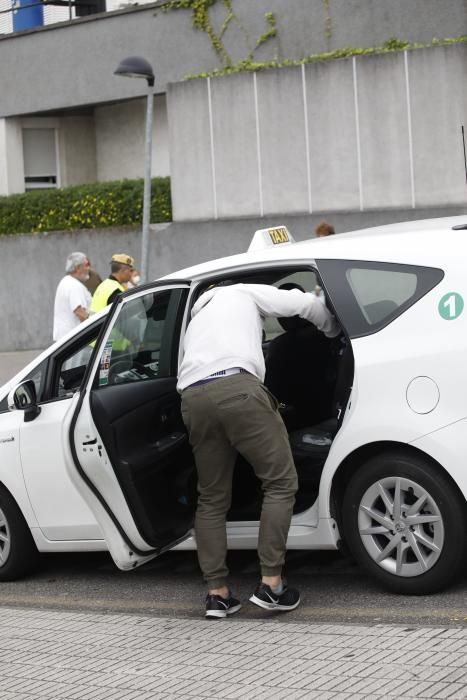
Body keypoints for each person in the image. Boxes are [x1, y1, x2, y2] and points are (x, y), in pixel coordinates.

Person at [177, 282, 340, 619]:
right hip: (238, 388)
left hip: (193, 399)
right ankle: (272, 585)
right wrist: (333, 329)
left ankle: (217, 594)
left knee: (210, 497)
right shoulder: (241, 292)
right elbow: (303, 303)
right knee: (280, 482)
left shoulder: (195, 320)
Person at [53, 252, 91, 342]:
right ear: (78, 268)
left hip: (66, 339)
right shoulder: (74, 285)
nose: (89, 268)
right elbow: (80, 312)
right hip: (73, 340)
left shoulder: (66, 281)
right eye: (86, 265)